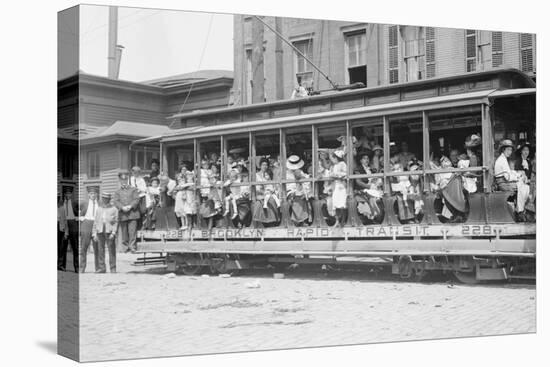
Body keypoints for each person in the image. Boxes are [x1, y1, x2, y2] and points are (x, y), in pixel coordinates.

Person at [494, 139, 530, 221]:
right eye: (508, 150)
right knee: (525, 188)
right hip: (503, 184)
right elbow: (508, 177)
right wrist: (518, 177)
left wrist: (518, 175)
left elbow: (509, 172)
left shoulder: (503, 159)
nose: (510, 152)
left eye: (511, 150)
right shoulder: (502, 160)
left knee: (523, 186)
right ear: (503, 150)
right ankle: (520, 211)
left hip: (504, 182)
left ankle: (520, 210)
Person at [113, 170, 141, 253]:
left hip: (133, 214)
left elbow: (137, 199)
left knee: (132, 231)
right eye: (122, 180)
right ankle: (125, 247)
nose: (123, 181)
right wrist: (122, 207)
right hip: (123, 214)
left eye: (125, 180)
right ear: (120, 180)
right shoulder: (117, 192)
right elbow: (116, 201)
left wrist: (130, 206)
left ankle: (132, 247)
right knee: (124, 232)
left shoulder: (133, 189)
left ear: (127, 180)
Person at [353, 151, 383, 223]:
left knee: (380, 196)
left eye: (367, 159)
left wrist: (376, 182)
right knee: (371, 198)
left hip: (373, 188)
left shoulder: (372, 169)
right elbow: (358, 182)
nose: (366, 160)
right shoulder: (358, 169)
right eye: (364, 159)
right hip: (363, 190)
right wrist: (369, 186)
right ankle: (373, 216)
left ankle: (378, 217)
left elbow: (375, 178)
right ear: (360, 160)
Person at [92, 192, 118, 273]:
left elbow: (116, 222)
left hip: (109, 231)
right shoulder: (99, 209)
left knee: (111, 250)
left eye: (107, 199)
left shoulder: (114, 209)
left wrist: (113, 233)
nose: (105, 200)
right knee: (100, 250)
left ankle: (113, 268)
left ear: (109, 200)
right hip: (100, 231)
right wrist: (94, 233)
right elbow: (95, 222)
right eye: (103, 198)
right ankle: (102, 268)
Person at [252, 158, 281, 226]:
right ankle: (265, 222)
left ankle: (272, 221)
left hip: (268, 192)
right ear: (260, 166)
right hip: (260, 193)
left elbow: (270, 185)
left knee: (273, 199)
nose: (265, 166)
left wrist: (272, 189)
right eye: (263, 165)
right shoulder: (256, 175)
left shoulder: (268, 175)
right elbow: (257, 188)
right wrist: (263, 191)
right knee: (264, 201)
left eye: (266, 165)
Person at [286, 155, 313, 226]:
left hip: (302, 191)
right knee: (297, 198)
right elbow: (288, 186)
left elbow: (306, 180)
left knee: (304, 197)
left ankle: (302, 219)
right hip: (291, 192)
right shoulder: (287, 174)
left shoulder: (301, 172)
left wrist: (305, 191)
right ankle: (298, 220)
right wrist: (294, 191)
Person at [79, 187, 99, 273]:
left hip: (96, 224)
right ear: (88, 195)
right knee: (84, 247)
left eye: (94, 193)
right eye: (91, 194)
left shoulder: (100, 203)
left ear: (97, 194)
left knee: (97, 248)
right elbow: (75, 210)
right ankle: (82, 268)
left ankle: (98, 268)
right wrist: (81, 219)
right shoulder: (84, 203)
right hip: (86, 224)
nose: (93, 195)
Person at [60, 188, 79, 272]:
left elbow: (82, 212)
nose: (68, 195)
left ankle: (77, 267)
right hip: (64, 223)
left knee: (75, 247)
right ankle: (61, 266)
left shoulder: (75, 203)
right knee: (62, 246)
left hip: (73, 224)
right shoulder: (61, 203)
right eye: (66, 194)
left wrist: (77, 218)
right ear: (64, 195)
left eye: (69, 194)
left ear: (71, 194)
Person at [329, 150, 348, 227]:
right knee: (335, 203)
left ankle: (343, 220)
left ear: (336, 158)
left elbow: (346, 173)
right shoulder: (333, 166)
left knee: (342, 204)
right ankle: (337, 221)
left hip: (342, 186)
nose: (332, 160)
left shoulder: (342, 164)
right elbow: (331, 174)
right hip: (336, 186)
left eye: (333, 158)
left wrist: (337, 175)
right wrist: (332, 174)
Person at [57, 196, 69, 271]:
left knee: (61, 247)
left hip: (60, 227)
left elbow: (65, 220)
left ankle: (60, 265)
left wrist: (66, 232)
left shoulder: (62, 208)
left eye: (57, 198)